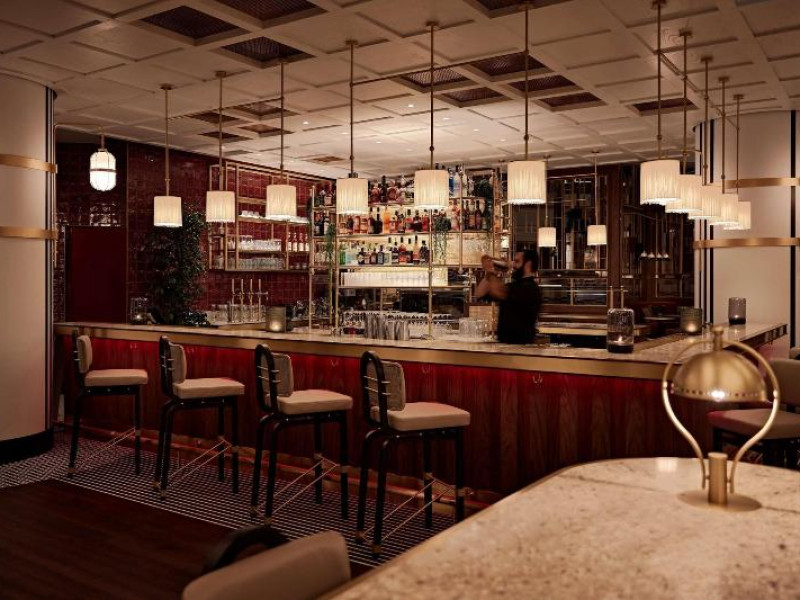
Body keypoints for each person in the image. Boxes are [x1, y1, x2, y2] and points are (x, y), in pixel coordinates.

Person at [476, 250, 542, 344]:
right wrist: (489, 273)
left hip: (521, 348)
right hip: (507, 346)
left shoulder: (530, 288)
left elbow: (498, 292)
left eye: (517, 261)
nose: (513, 265)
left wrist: (491, 271)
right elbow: (479, 293)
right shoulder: (514, 285)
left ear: (528, 264)